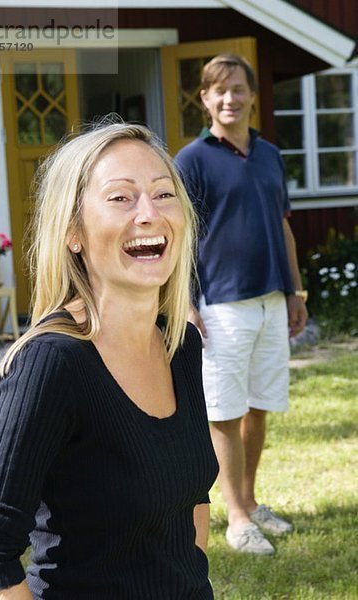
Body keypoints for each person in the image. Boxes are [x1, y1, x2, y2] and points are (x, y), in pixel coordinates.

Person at [0, 121, 219, 599]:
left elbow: (190, 501)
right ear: (73, 232)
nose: (148, 213)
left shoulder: (180, 345)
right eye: (121, 198)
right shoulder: (50, 365)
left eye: (164, 194)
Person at [175, 54, 308, 556]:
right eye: (218, 90)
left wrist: (295, 291)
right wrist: (185, 301)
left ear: (252, 95)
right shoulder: (191, 159)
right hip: (220, 305)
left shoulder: (271, 155)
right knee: (226, 412)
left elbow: (283, 226)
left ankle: (251, 502)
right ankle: (234, 517)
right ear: (205, 99)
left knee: (258, 405)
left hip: (272, 298)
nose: (229, 98)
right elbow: (180, 235)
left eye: (238, 88)